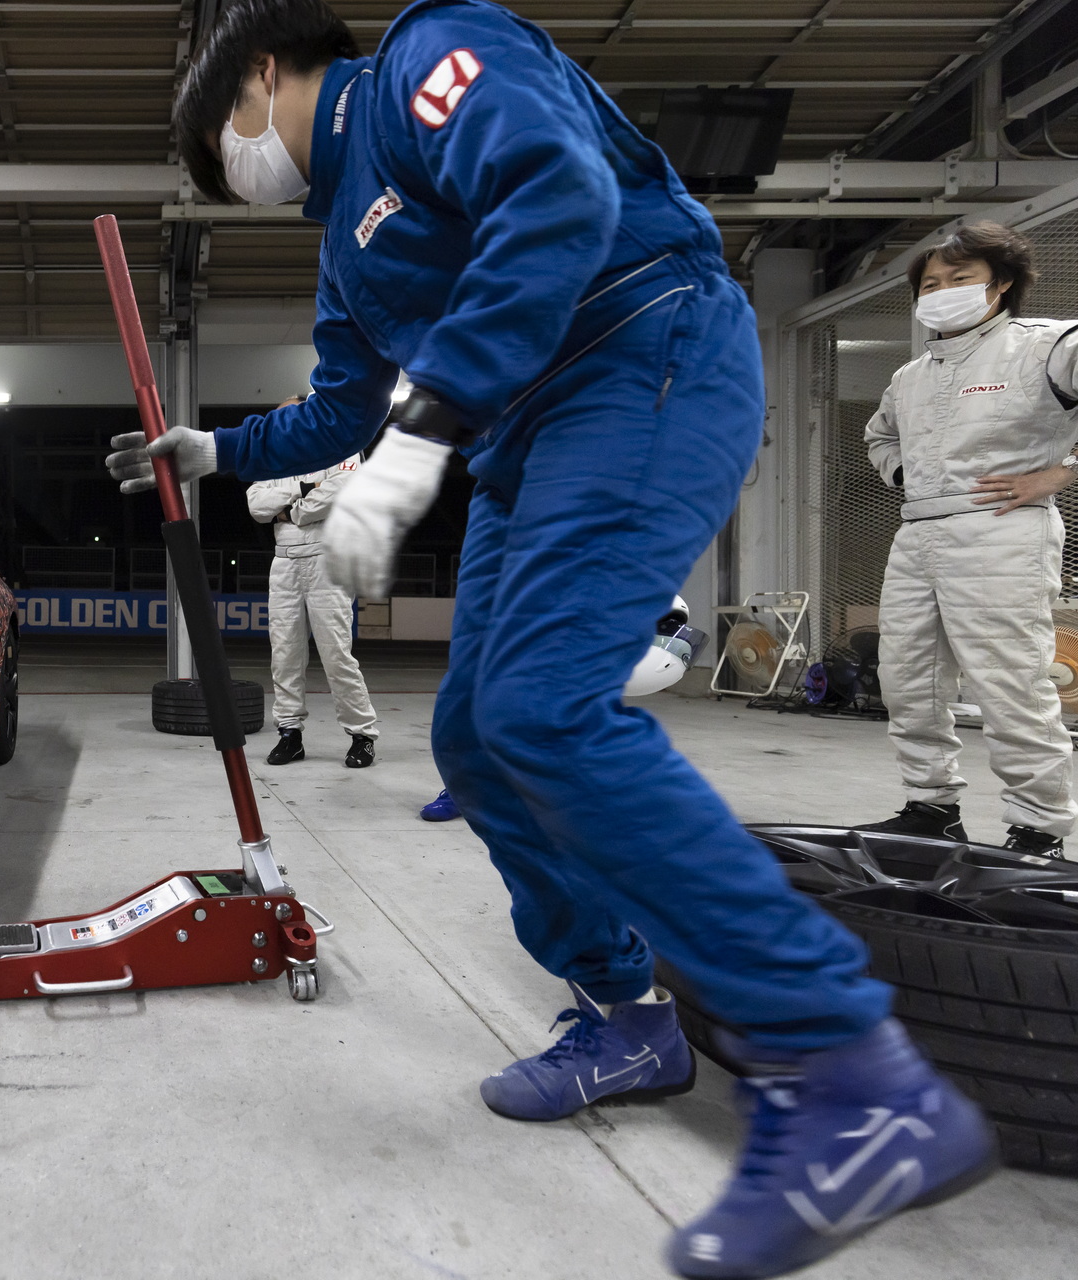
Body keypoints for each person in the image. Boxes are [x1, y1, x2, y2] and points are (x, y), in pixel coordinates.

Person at [104, 3, 994, 1276]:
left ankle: (857, 1077)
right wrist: (214, 450)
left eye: (222, 150)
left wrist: (422, 438)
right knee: (478, 740)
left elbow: (554, 194)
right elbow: (341, 406)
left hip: (644, 348)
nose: (236, 178)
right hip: (526, 439)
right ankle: (629, 1010)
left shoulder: (425, 62)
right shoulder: (345, 249)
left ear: (258, 76)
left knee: (545, 708)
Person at [859, 222, 1078, 859]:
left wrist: (1062, 472)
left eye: (960, 278)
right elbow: (880, 436)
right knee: (908, 681)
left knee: (1008, 683)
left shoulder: (1047, 346)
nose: (942, 291)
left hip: (1002, 530)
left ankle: (1038, 830)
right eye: (931, 283)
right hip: (918, 533)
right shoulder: (910, 376)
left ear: (1001, 283)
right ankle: (931, 809)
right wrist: (906, 476)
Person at [246, 439, 380, 768]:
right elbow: (256, 504)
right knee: (285, 654)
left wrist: (289, 511)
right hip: (284, 560)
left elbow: (341, 490)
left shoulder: (344, 446)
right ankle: (289, 734)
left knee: (336, 654)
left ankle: (362, 735)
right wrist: (306, 488)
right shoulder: (277, 452)